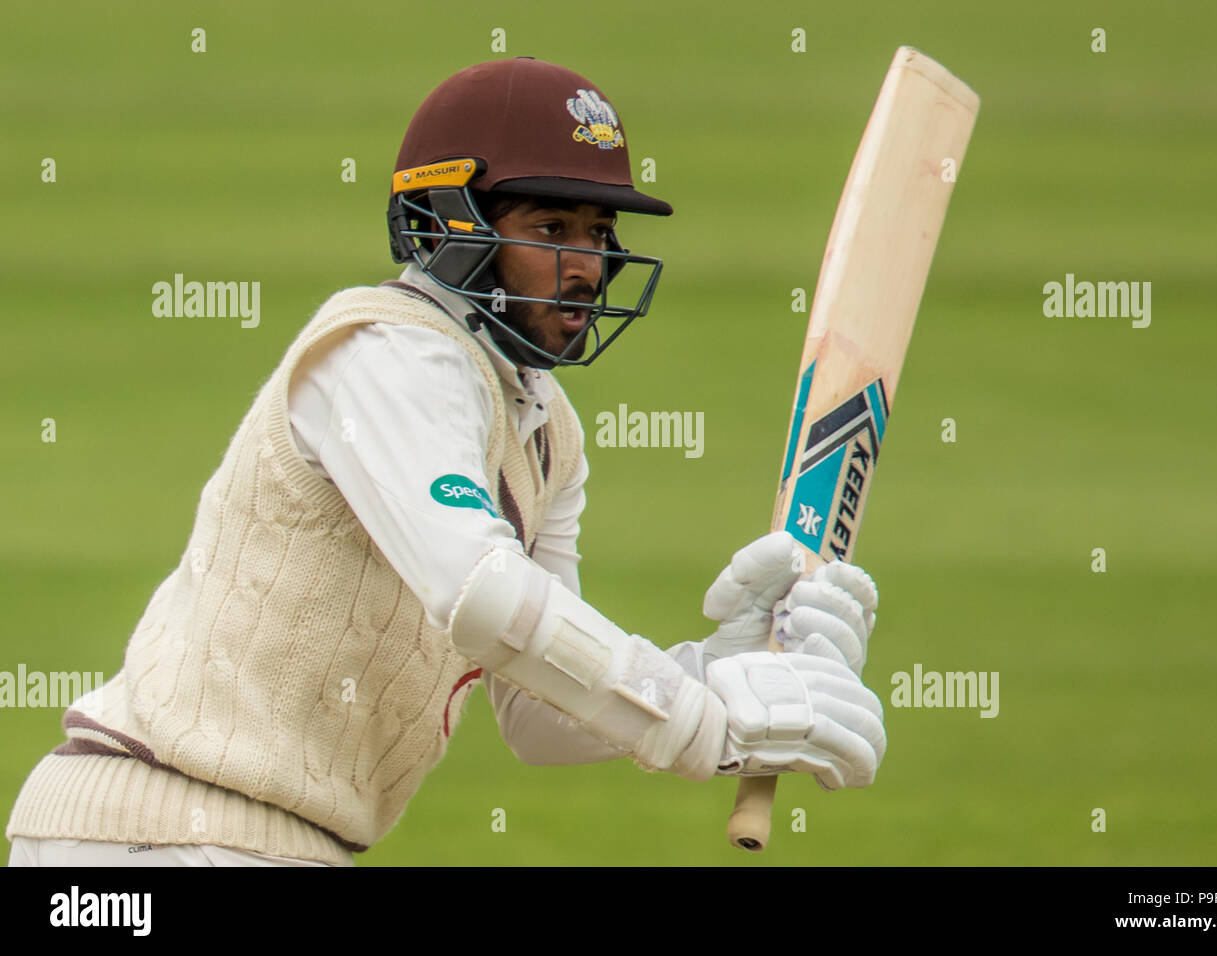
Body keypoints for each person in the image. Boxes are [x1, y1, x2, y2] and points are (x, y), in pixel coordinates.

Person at [5, 57, 886, 867]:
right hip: (148, 838)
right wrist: (704, 721)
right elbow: (485, 595)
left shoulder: (543, 426)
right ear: (449, 225)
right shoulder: (388, 353)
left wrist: (718, 670)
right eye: (551, 226)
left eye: (598, 231)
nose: (587, 268)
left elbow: (538, 713)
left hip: (260, 846)